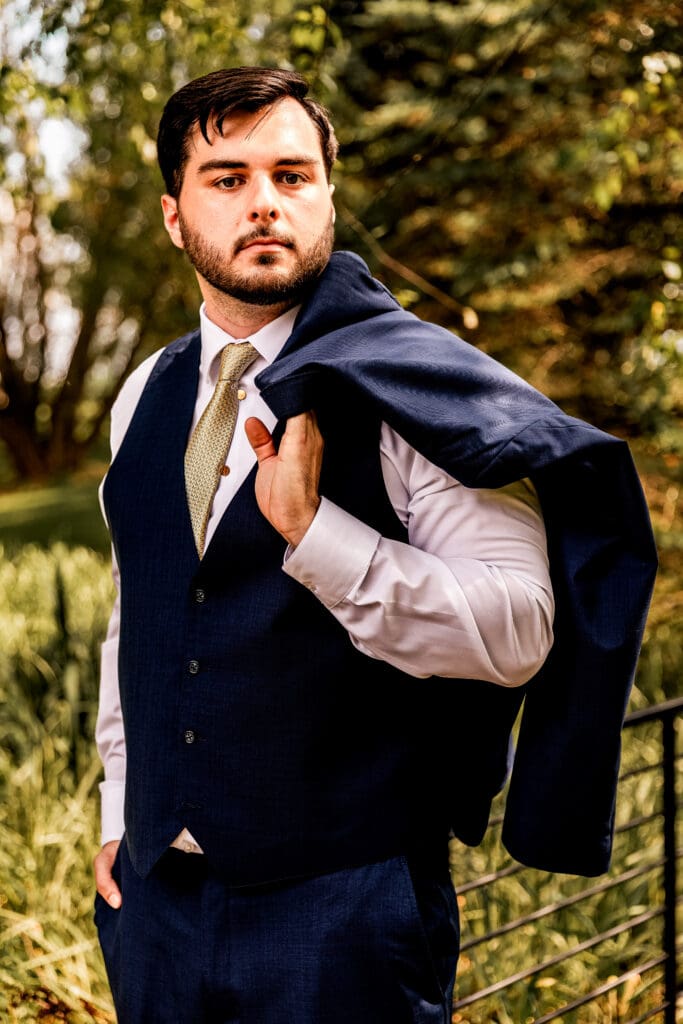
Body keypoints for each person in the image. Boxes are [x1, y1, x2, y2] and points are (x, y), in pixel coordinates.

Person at [93, 67, 655, 1023]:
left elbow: (518, 628)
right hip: (156, 911)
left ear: (327, 197)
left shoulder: (410, 385)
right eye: (226, 179)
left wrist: (316, 534)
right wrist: (118, 816)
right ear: (174, 216)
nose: (264, 202)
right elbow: (137, 614)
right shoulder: (144, 391)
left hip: (343, 912)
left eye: (292, 175)